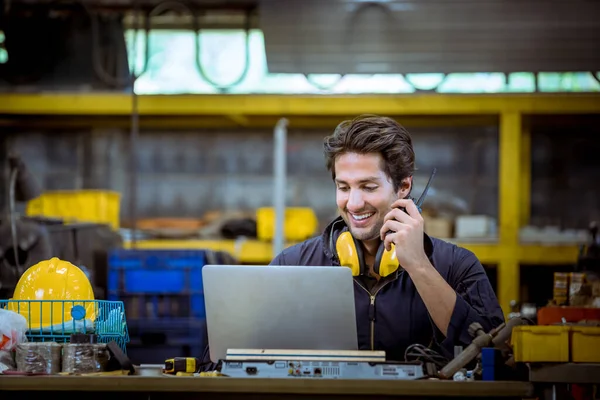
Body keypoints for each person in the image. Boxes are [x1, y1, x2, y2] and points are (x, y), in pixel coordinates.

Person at [199, 114, 504, 370]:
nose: (354, 203)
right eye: (343, 187)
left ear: (403, 187)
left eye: (368, 187)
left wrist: (420, 267)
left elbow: (496, 361)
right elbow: (217, 362)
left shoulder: (457, 266)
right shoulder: (292, 265)